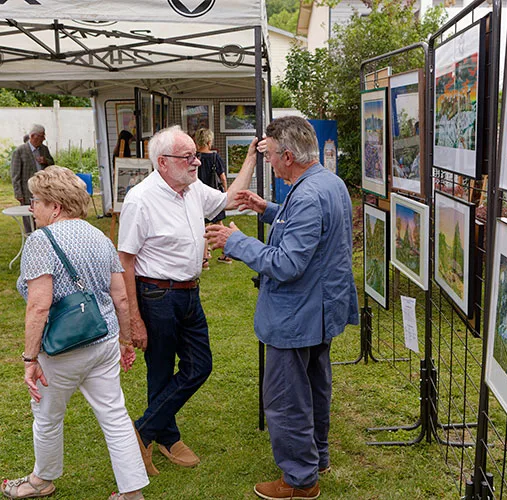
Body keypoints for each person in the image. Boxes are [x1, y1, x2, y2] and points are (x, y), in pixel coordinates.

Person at [205, 116, 359, 500]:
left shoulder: (307, 194)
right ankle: (316, 458)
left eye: (271, 156)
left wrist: (234, 241)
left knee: (287, 399)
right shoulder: (327, 182)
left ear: (288, 156)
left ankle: (300, 481)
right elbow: (309, 229)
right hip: (321, 310)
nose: (269, 162)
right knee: (314, 386)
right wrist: (267, 208)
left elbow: (287, 264)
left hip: (297, 315)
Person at [117, 125, 258, 477]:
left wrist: (252, 158)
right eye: (188, 157)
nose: (197, 161)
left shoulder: (192, 188)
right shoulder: (140, 199)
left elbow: (228, 199)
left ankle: (143, 432)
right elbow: (125, 262)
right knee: (161, 371)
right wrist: (133, 319)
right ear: (162, 163)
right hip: (156, 295)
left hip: (189, 293)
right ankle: (166, 438)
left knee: (200, 365)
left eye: (196, 154)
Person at [2, 166, 148, 500]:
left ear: (55, 206)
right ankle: (132, 494)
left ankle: (42, 481)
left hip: (62, 348)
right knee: (115, 416)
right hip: (105, 339)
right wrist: (124, 340)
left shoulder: (41, 241)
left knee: (48, 416)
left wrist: (29, 358)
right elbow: (121, 296)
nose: (31, 207)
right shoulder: (99, 235)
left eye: (36, 201)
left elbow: (39, 306)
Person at [194, 127, 232, 268]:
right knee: (219, 225)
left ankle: (204, 260)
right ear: (209, 141)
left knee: (202, 227)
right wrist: (225, 193)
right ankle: (226, 253)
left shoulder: (195, 157)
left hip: (199, 195)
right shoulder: (216, 157)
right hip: (214, 195)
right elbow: (222, 177)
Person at [10, 124, 54, 233]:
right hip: (27, 190)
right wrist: (18, 193)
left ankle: (44, 234)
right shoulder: (20, 151)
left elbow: (52, 164)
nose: (44, 138)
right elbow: (15, 174)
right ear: (33, 136)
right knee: (28, 216)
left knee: (44, 211)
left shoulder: (44, 149)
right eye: (42, 136)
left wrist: (46, 161)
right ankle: (30, 236)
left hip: (43, 188)